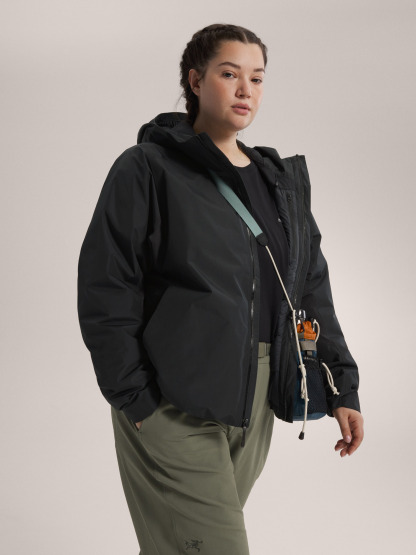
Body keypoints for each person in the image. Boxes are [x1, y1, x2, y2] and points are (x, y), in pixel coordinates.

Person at [77, 23, 364, 555]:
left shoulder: (277, 183)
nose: (245, 89)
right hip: (172, 398)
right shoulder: (149, 168)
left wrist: (342, 388)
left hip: (257, 398)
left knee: (179, 546)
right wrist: (136, 399)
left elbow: (310, 290)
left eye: (257, 77)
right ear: (195, 80)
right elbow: (106, 285)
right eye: (229, 74)